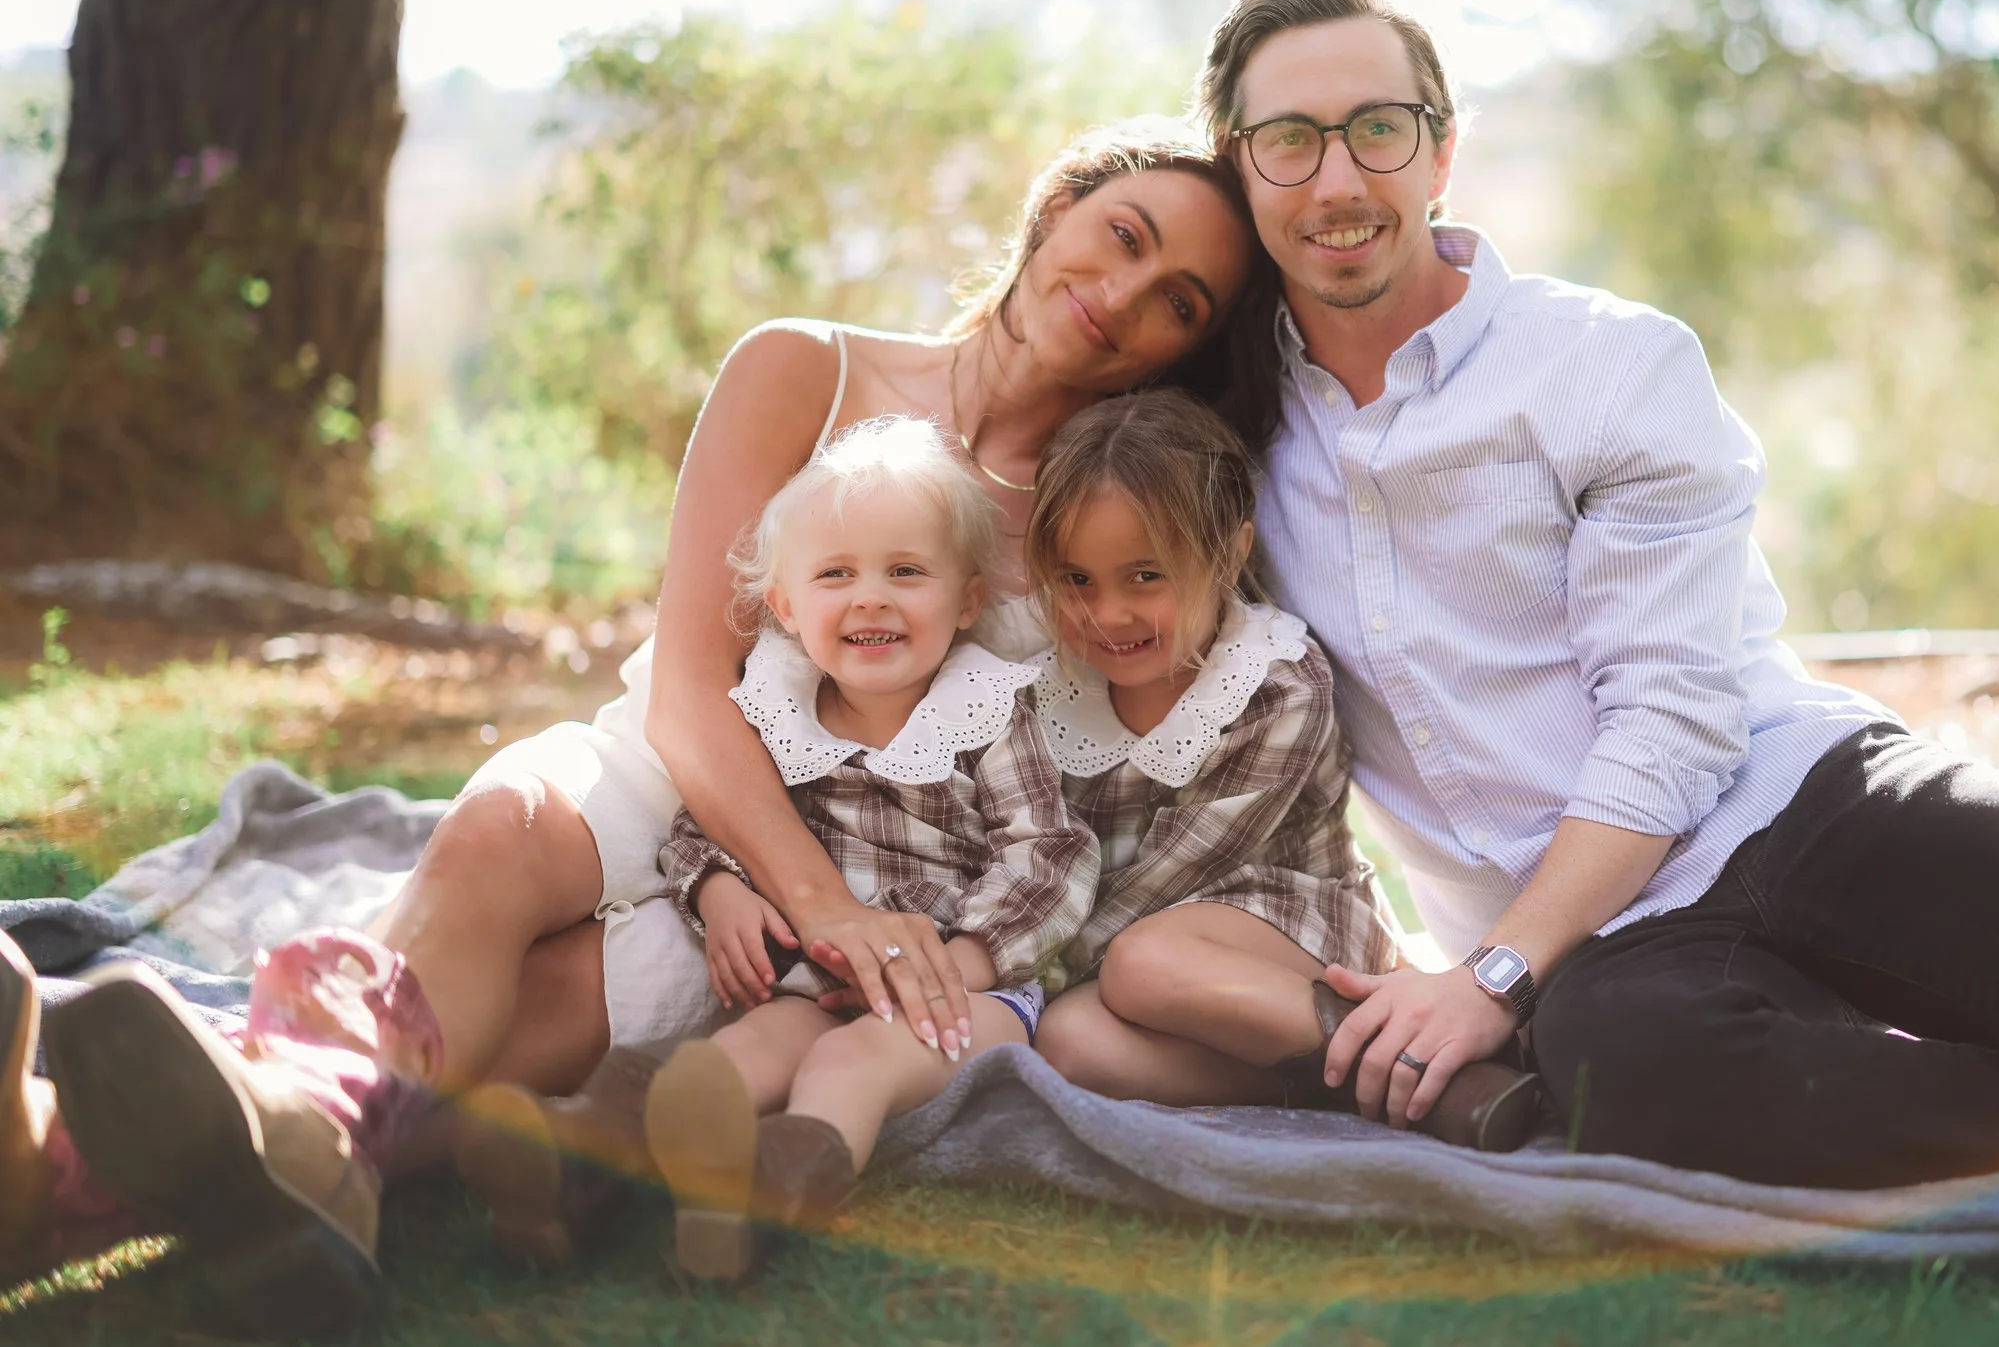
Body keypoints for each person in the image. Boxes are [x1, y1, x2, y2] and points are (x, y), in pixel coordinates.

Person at [1191, 0, 1999, 1186]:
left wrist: (1488, 978)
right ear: (1242, 171)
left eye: (1378, 128)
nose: (1336, 177)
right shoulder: (1218, 432)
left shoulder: (1609, 365)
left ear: (1442, 149)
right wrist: (1512, 968)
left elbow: (1675, 720)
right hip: (1600, 943)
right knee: (1633, 1084)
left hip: (1788, 792)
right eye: (1289, 140)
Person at [20, 120, 1267, 1327]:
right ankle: (281, 1144)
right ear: (1053, 210)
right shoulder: (804, 365)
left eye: (1178, 299)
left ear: (1175, 353)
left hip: (832, 882)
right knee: (499, 828)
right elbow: (686, 684)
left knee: (524, 1023)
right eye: (1121, 232)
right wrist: (807, 900)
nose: (1125, 288)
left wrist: (841, 918)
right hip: (678, 767)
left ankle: (64, 1166)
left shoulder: (1096, 523)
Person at [463, 415, 1094, 1279]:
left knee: (852, 1059)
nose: (870, 597)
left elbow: (1050, 854)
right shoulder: (781, 712)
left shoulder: (991, 711)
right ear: (789, 607)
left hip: (969, 999)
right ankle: (579, 1154)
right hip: (823, 982)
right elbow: (707, 825)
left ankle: (768, 1187)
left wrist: (965, 960)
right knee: (741, 1054)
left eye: (906, 572)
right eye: (836, 574)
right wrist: (720, 890)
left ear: (968, 598)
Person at [1020, 388, 1543, 1149]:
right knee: (1067, 1042)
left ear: (1230, 553)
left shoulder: (1272, 682)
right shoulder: (1047, 689)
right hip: (1130, 955)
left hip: (1292, 928)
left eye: (1145, 576)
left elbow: (1168, 881)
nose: (1108, 614)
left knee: (1144, 962)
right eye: (1077, 580)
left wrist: (1021, 969)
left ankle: (1440, 1054)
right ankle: (1374, 1087)